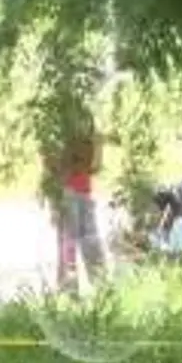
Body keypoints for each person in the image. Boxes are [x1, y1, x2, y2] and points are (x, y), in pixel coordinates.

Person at [46, 122, 110, 292]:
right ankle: (71, 286)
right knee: (72, 241)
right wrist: (54, 204)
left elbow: (94, 168)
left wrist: (98, 145)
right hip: (68, 193)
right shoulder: (59, 138)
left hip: (83, 194)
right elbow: (53, 170)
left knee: (88, 238)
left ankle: (98, 284)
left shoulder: (85, 141)